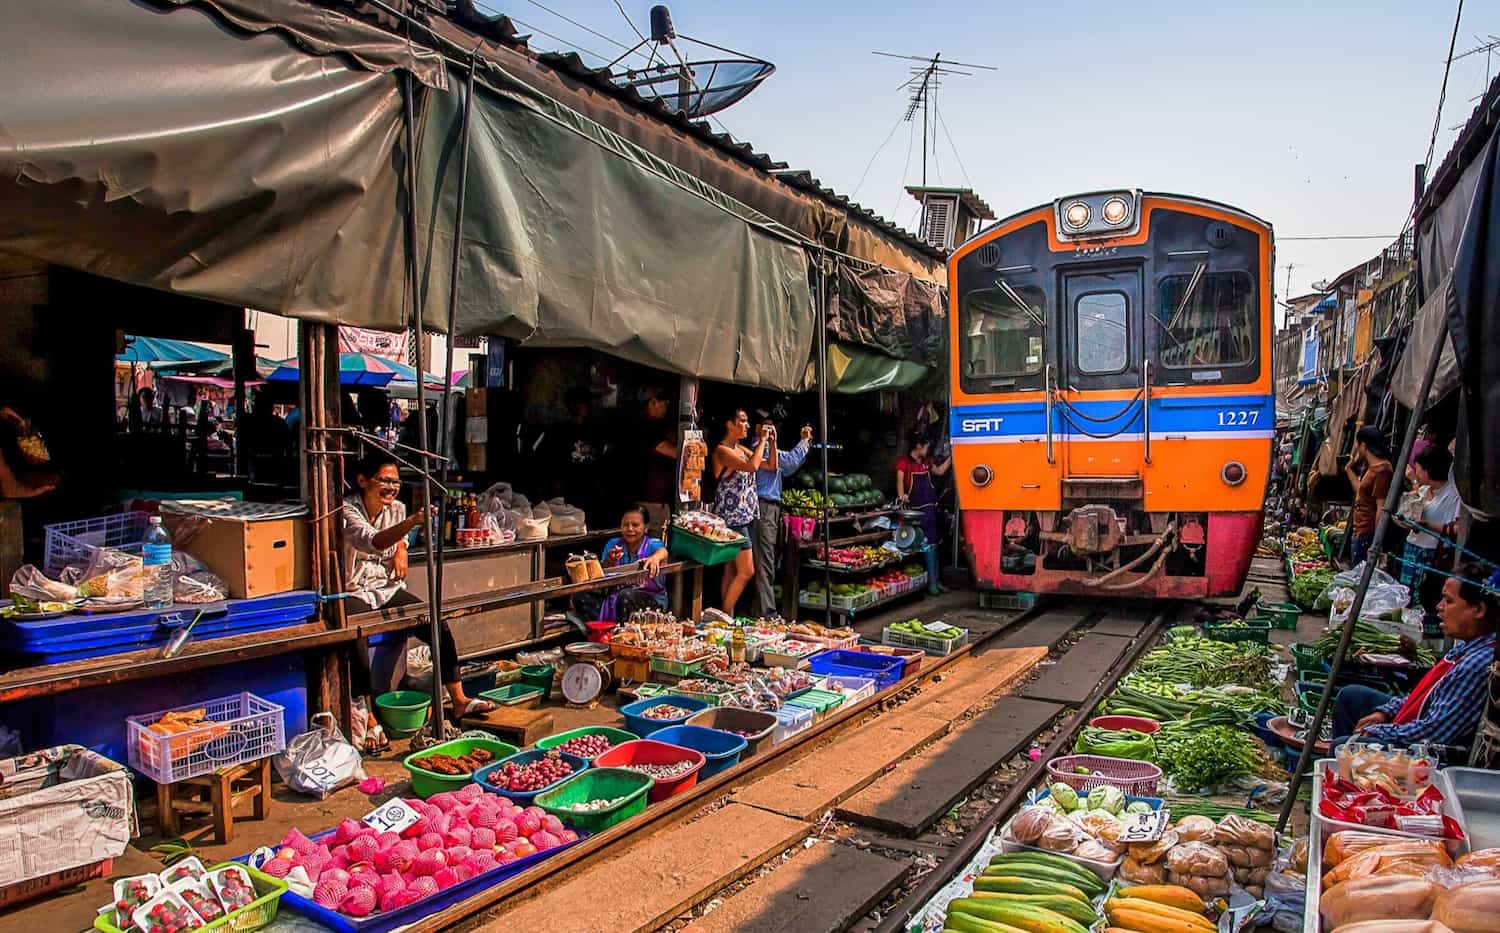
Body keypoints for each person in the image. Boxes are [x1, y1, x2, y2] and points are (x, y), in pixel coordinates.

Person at [341, 450, 493, 746]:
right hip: (354, 590)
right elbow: (374, 541)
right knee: (356, 639)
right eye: (384, 481)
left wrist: (401, 547)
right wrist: (410, 525)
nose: (391, 487)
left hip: (386, 589)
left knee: (437, 623)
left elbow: (397, 540)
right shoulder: (348, 511)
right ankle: (370, 718)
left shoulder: (396, 509)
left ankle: (459, 698)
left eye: (396, 482)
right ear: (363, 481)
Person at [1333, 562, 1498, 748]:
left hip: (1428, 750)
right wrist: (1385, 713)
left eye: (1449, 601)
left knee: (1343, 745)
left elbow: (1434, 733)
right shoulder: (1467, 646)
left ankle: (1348, 761)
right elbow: (1423, 696)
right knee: (1350, 696)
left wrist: (1376, 731)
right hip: (1423, 719)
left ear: (1479, 609)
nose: (1439, 606)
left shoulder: (1477, 664)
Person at [751, 414, 812, 617]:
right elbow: (789, 463)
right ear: (757, 428)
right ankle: (766, 613)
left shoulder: (769, 449)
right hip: (764, 507)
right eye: (766, 428)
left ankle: (759, 609)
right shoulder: (760, 449)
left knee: (765, 559)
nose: (770, 432)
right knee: (764, 559)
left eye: (772, 429)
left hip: (770, 508)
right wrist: (804, 441)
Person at [710, 409, 769, 612]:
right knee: (747, 571)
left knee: (731, 569)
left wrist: (772, 442)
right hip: (732, 518)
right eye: (742, 421)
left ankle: (727, 613)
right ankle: (726, 612)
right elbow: (752, 466)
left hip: (745, 516)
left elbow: (769, 465)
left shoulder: (742, 449)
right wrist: (762, 441)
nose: (747, 425)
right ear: (730, 424)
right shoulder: (722, 451)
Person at [573, 505, 669, 623]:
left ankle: (626, 634)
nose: (630, 529)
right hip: (614, 599)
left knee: (625, 596)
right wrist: (609, 561)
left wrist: (655, 558)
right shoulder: (613, 544)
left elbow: (663, 552)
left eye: (635, 525)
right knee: (579, 596)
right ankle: (607, 628)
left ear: (646, 527)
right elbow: (601, 575)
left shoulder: (653, 544)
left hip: (650, 600)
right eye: (625, 525)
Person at [1399, 445, 1463, 608]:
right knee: (1406, 598)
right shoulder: (1424, 490)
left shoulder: (1453, 495)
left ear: (1428, 471)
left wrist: (1427, 526)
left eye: (1418, 469)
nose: (1416, 472)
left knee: (1423, 601)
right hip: (1411, 550)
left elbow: (1458, 529)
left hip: (1431, 556)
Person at [897, 433, 952, 596]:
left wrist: (953, 456)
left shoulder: (927, 463)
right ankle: (931, 584)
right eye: (927, 447)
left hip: (930, 510)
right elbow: (899, 482)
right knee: (925, 546)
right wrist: (902, 496)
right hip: (915, 511)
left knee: (934, 546)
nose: (928, 450)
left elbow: (941, 471)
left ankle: (936, 581)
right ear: (918, 446)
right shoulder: (904, 463)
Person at [1345, 426, 1393, 567]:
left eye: (1357, 444)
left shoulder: (1381, 471)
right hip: (1360, 529)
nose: (1356, 448)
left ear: (1363, 445)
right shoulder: (1372, 468)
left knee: (1361, 575)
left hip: (1367, 532)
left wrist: (1377, 541)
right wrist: (1348, 469)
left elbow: (1381, 507)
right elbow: (1361, 490)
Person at [638, 388, 678, 530]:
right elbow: (673, 452)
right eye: (665, 403)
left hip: (655, 499)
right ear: (653, 402)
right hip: (650, 500)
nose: (666, 408)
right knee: (653, 542)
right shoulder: (646, 428)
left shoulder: (655, 427)